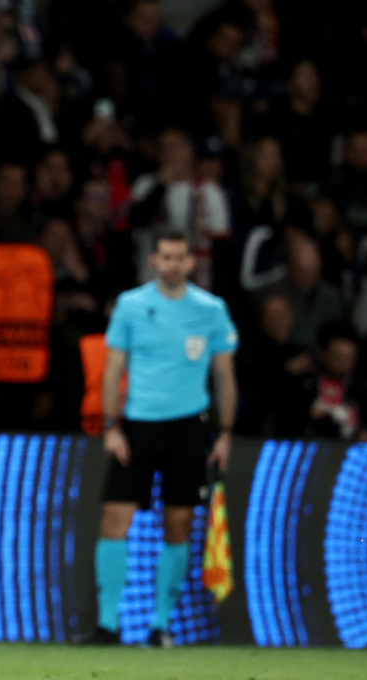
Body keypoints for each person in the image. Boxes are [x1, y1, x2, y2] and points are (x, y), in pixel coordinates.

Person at [80, 228, 238, 649]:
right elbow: (113, 370)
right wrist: (111, 426)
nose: (173, 264)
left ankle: (161, 626)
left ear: (191, 262)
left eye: (180, 257)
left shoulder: (211, 309)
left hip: (189, 427)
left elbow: (224, 375)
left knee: (179, 524)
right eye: (166, 256)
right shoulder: (132, 306)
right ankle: (108, 625)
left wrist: (224, 434)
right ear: (153, 261)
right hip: (137, 426)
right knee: (114, 520)